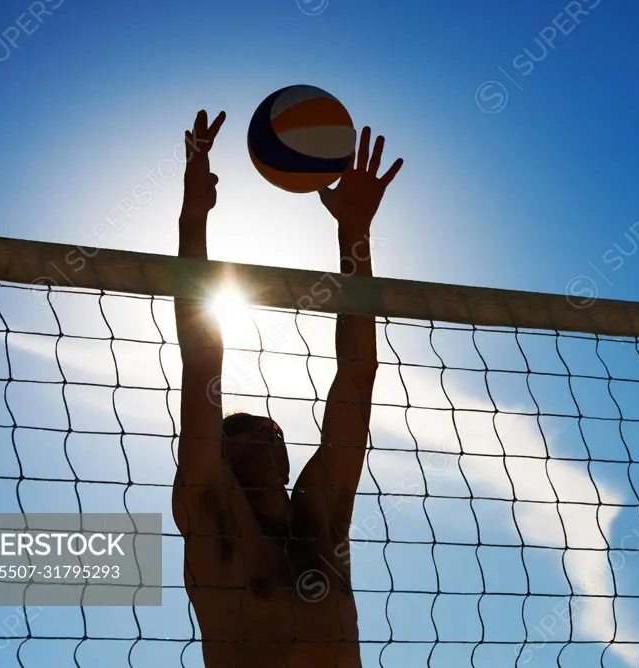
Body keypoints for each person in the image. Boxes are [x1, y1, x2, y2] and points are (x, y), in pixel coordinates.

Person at [171, 109, 403, 667]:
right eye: (234, 427)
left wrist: (354, 233)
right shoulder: (212, 519)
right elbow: (202, 361)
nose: (253, 430)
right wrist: (193, 218)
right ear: (218, 451)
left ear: (284, 454)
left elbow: (358, 374)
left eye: (267, 427)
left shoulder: (321, 521)